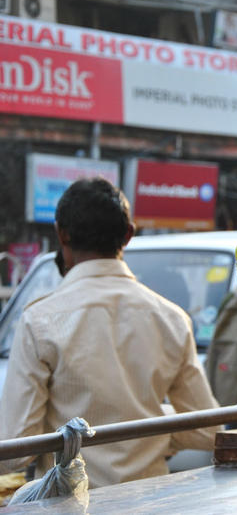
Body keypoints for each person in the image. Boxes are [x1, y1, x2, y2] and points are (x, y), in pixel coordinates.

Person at [0, 178, 220, 487]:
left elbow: (13, 452)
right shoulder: (171, 318)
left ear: (61, 233)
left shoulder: (40, 321)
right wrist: (147, 426)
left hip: (71, 505)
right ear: (128, 235)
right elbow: (208, 430)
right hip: (151, 504)